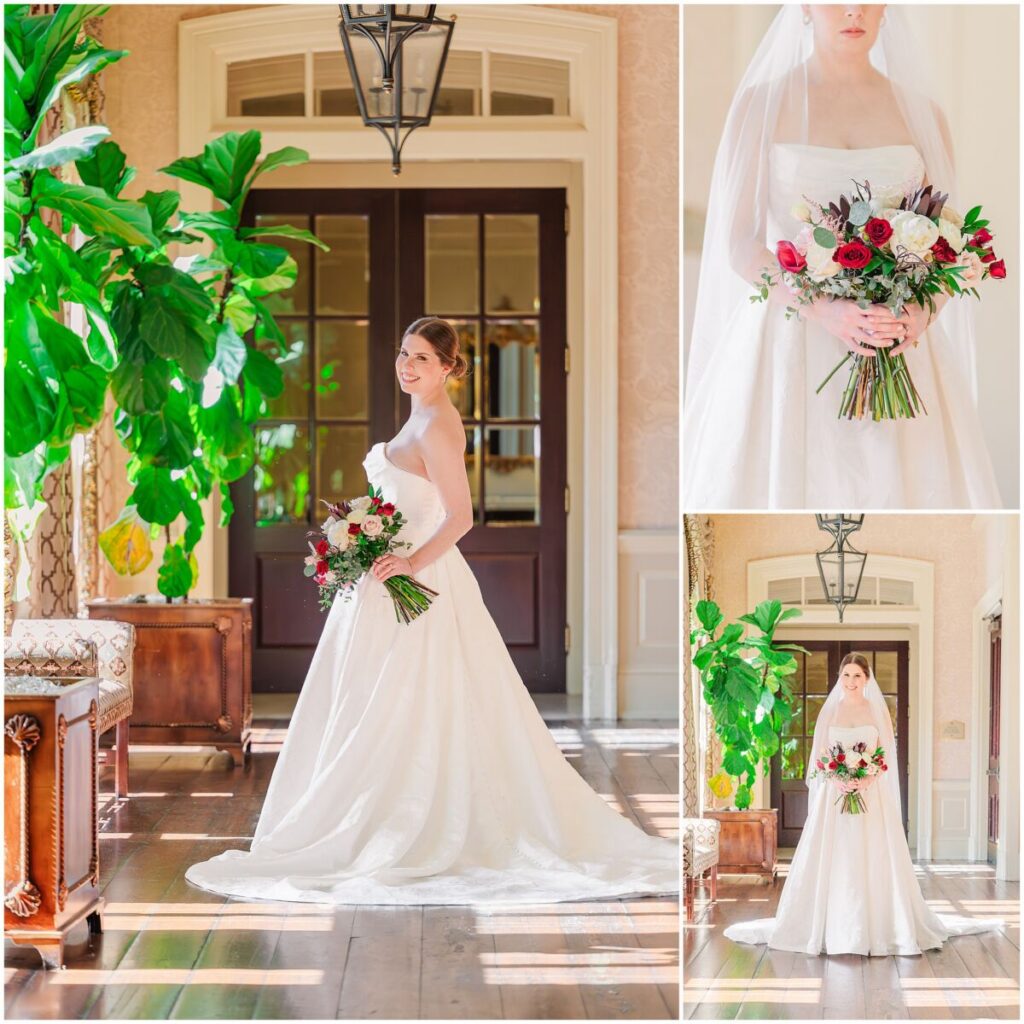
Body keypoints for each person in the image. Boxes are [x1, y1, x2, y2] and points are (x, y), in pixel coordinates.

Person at [185, 316, 678, 905]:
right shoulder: (419, 414)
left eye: (421, 358)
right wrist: (359, 534)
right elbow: (405, 500)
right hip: (383, 577)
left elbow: (460, 518)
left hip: (415, 580)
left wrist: (408, 565)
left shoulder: (440, 425)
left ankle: (410, 821)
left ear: (449, 367)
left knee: (415, 699)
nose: (406, 366)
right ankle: (370, 810)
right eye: (403, 353)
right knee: (370, 702)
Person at [683, 5, 1003, 509]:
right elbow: (740, 242)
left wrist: (921, 313)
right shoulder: (762, 105)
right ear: (806, 6)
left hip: (895, 339)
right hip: (791, 341)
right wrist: (822, 308)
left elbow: (947, 240)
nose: (853, 10)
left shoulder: (922, 114)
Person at [724, 653, 1002, 955]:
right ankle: (830, 926)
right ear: (840, 678)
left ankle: (879, 927)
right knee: (837, 854)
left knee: (873, 854)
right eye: (846, 675)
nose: (851, 682)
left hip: (871, 796)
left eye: (857, 676)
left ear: (867, 679)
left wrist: (865, 779)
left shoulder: (876, 711)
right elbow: (819, 757)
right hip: (834, 796)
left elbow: (885, 758)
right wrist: (837, 778)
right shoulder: (830, 712)